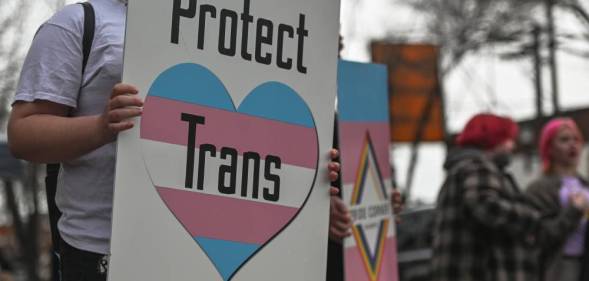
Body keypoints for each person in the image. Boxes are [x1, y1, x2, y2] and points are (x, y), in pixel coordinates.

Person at [7, 1, 341, 280]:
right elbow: (23, 134)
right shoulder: (78, 22)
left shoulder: (233, 29)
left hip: (202, 258)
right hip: (104, 253)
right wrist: (100, 127)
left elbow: (235, 147)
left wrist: (310, 200)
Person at [431, 113, 588, 281]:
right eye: (508, 140)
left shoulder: (461, 169)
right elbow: (486, 205)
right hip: (480, 271)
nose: (512, 146)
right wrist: (532, 218)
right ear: (492, 139)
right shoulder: (478, 166)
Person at [526, 118, 589, 281]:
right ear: (549, 148)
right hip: (559, 268)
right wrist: (573, 212)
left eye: (576, 139)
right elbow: (540, 236)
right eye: (564, 139)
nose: (572, 144)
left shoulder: (585, 185)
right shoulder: (539, 189)